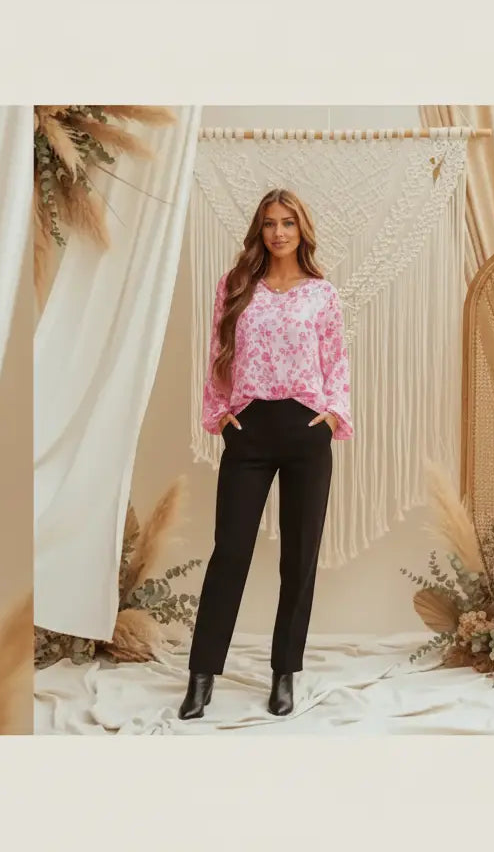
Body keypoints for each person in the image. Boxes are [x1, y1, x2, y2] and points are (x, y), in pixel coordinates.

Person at [178, 188, 353, 720]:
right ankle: (202, 675)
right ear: (260, 230)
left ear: (302, 230)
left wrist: (330, 413)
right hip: (249, 430)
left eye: (288, 223)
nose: (279, 232)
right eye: (270, 223)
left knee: (298, 558)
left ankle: (284, 673)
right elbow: (217, 355)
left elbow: (337, 361)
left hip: (305, 429)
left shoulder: (322, 294)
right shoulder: (235, 288)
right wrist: (222, 415)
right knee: (230, 552)